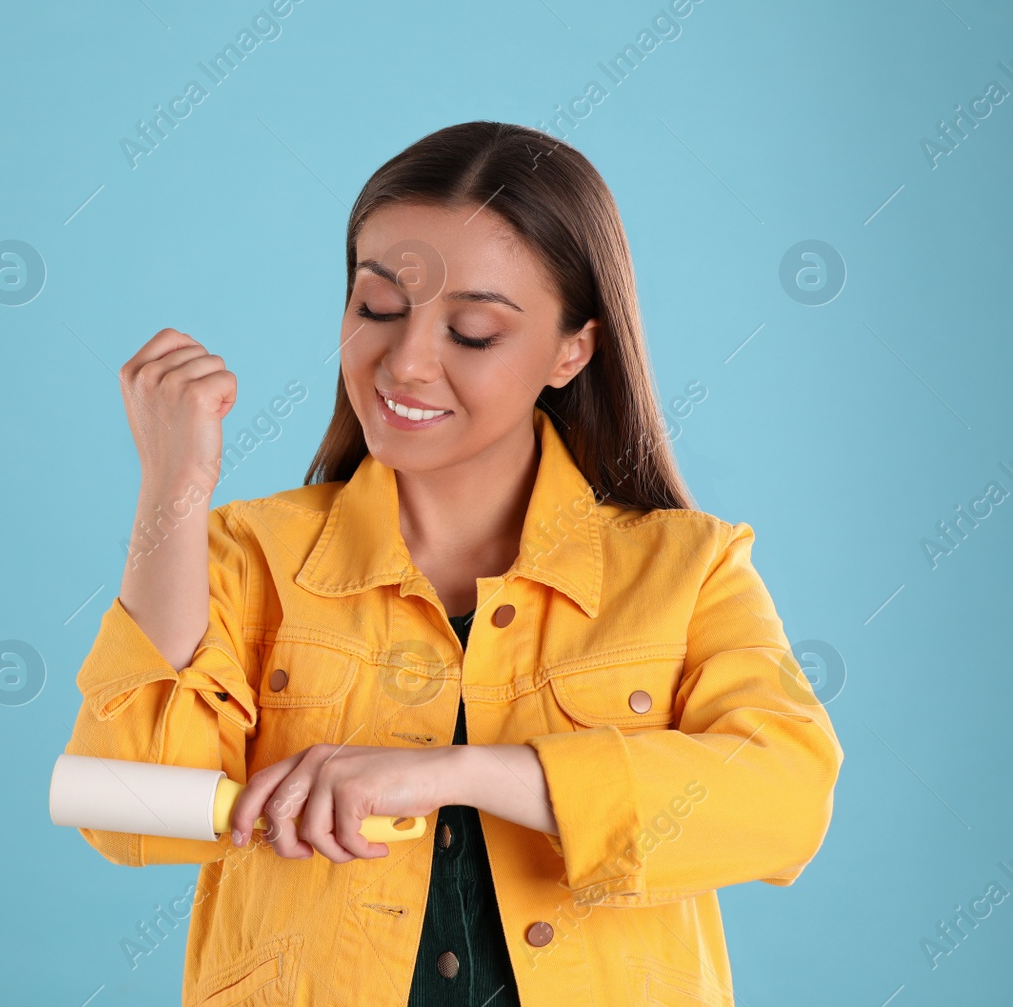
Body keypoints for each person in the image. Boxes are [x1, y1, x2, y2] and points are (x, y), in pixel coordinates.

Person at [62, 121, 843, 1006]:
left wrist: (456, 771)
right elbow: (127, 809)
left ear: (571, 350)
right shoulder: (251, 555)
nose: (406, 362)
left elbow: (785, 797)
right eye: (378, 308)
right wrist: (174, 483)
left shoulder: (688, 567)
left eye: (472, 331)